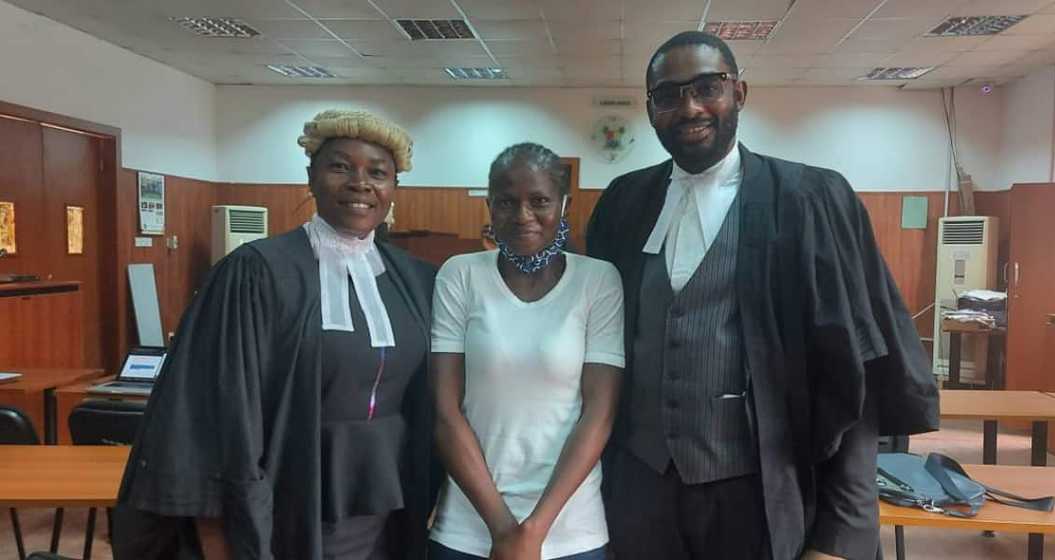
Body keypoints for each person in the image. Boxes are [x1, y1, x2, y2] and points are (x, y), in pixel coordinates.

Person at [586, 31, 939, 560]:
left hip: (756, 489)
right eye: (668, 95)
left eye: (708, 87)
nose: (689, 108)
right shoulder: (623, 203)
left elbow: (854, 372)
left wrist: (842, 534)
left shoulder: (810, 200)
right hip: (639, 491)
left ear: (740, 93)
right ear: (650, 108)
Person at [113, 109, 440, 560]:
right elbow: (209, 407)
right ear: (311, 177)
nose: (360, 183)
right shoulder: (256, 272)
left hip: (389, 495)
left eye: (378, 173)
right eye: (340, 166)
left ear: (393, 189)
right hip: (287, 493)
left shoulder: (415, 279)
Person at [428, 143, 624, 560]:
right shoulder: (460, 275)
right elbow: (446, 413)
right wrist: (504, 530)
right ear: (489, 205)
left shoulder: (598, 281)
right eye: (506, 202)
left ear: (564, 204)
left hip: (571, 531)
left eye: (539, 201)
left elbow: (599, 413)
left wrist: (532, 532)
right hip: (469, 528)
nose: (522, 216)